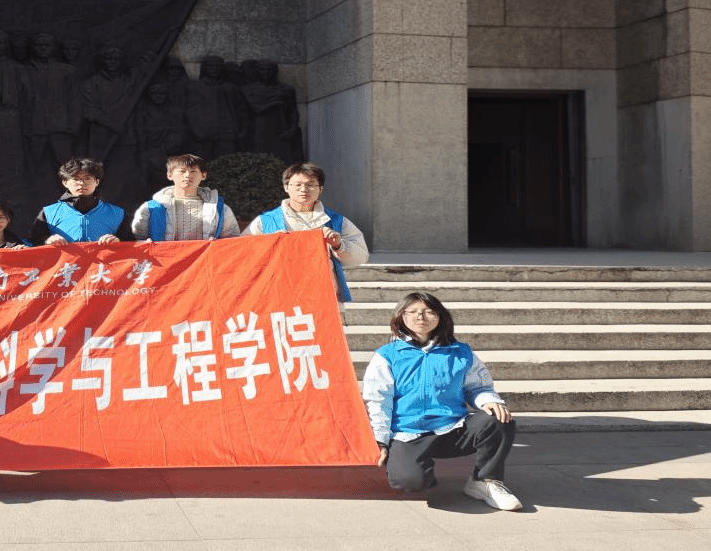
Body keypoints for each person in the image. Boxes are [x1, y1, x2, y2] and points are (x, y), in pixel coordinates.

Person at [362, 292, 522, 511]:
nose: (421, 317)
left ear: (440, 317)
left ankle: (485, 481)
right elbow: (378, 401)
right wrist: (380, 440)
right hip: (408, 433)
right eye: (413, 312)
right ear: (401, 316)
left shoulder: (460, 352)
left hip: (452, 428)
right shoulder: (387, 356)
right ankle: (417, 468)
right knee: (410, 482)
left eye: (429, 311)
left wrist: (488, 401)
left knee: (498, 418)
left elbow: (478, 387)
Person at [243, 162, 367, 302]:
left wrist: (339, 245)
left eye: (310, 185)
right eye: (297, 185)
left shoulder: (336, 221)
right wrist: (269, 244)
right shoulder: (264, 222)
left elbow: (361, 256)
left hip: (323, 297)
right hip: (279, 297)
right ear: (286, 187)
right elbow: (243, 254)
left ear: (320, 189)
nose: (304, 189)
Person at [132, 154, 240, 241]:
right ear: (169, 175)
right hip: (165, 260)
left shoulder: (220, 209)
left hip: (205, 260)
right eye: (182, 171)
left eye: (193, 171)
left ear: (203, 175)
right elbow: (135, 240)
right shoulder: (150, 208)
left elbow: (232, 241)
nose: (188, 175)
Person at [30, 158, 135, 245]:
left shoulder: (117, 213)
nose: (81, 183)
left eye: (87, 178)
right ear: (65, 182)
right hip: (65, 265)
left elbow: (132, 245)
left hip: (103, 265)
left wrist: (118, 241)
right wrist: (46, 240)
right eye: (75, 179)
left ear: (97, 182)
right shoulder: (49, 213)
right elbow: (32, 243)